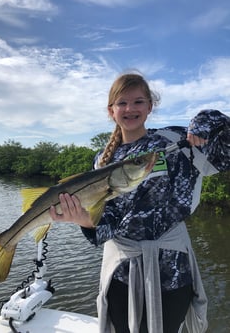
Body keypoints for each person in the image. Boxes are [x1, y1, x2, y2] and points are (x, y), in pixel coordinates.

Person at [50, 72, 230, 333]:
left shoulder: (174, 142)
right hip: (122, 270)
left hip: (173, 269)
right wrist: (82, 220)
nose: (130, 109)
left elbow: (225, 153)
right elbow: (106, 227)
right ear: (111, 111)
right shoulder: (102, 160)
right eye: (122, 103)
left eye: (138, 101)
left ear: (149, 107)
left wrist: (206, 119)